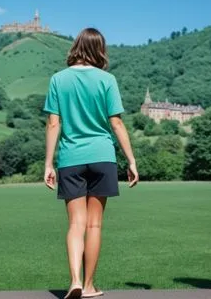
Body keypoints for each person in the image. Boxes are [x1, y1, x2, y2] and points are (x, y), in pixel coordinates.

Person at [43, 28, 139, 299]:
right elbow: (116, 123)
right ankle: (88, 286)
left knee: (76, 224)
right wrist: (131, 160)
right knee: (94, 225)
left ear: (76, 47)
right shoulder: (107, 80)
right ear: (100, 50)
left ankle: (74, 280)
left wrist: (49, 164)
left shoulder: (58, 79)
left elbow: (53, 124)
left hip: (71, 158)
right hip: (102, 156)